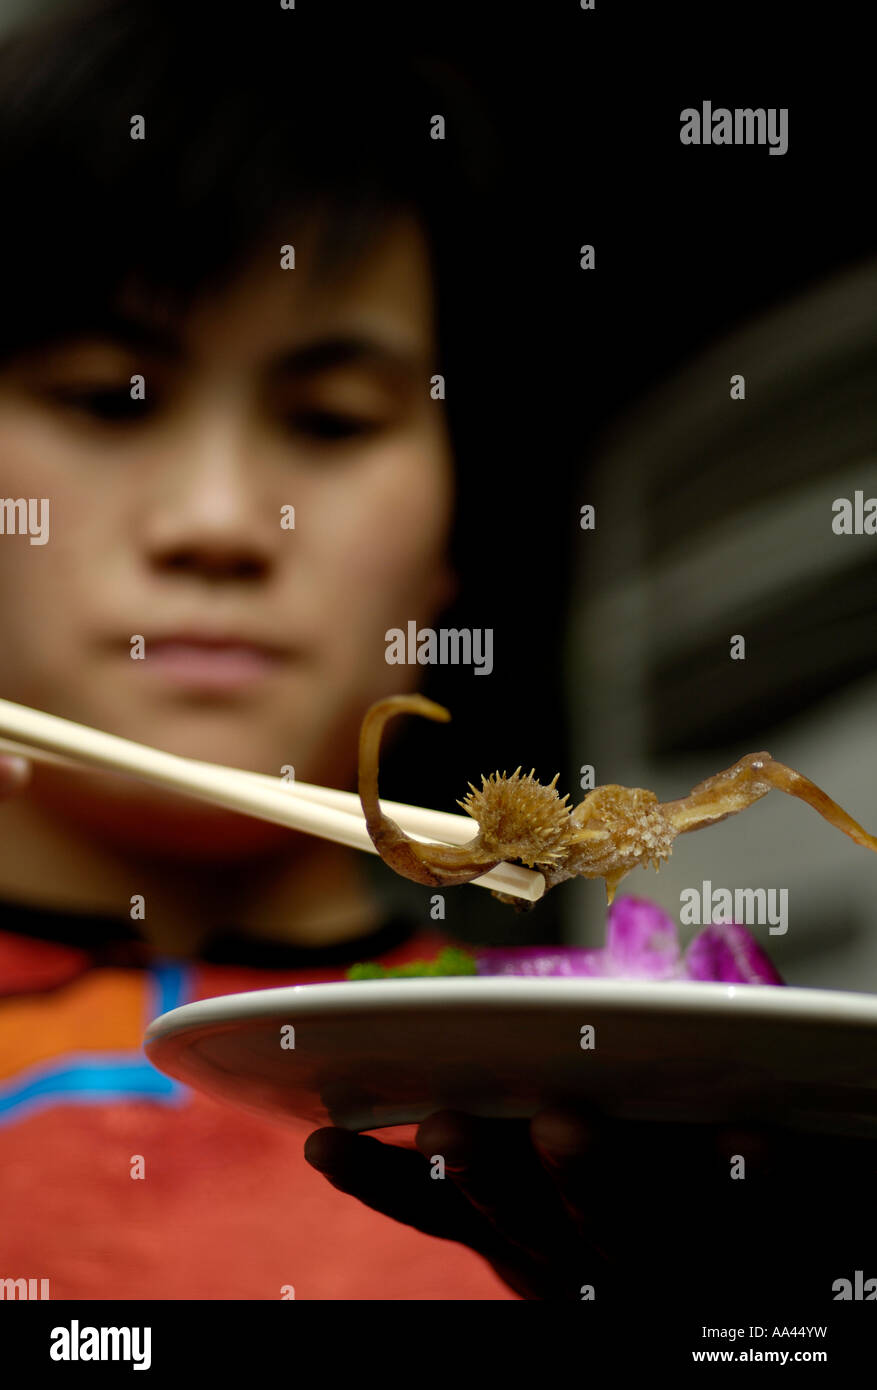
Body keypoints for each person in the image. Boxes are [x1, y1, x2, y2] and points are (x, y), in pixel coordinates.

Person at [1, 0, 872, 1311]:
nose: (224, 523)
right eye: (106, 398)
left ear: (454, 524)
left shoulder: (586, 1103)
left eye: (333, 420)